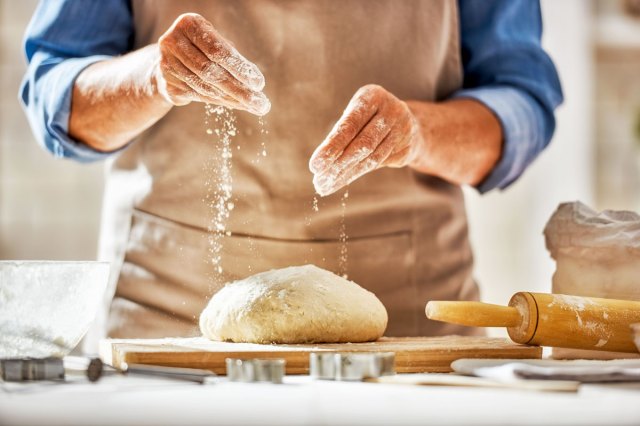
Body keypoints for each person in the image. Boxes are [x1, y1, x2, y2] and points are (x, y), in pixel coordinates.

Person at [21, 0, 562, 344]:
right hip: (169, 321)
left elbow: (521, 105)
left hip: (407, 330)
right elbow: (54, 90)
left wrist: (418, 132)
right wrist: (151, 78)